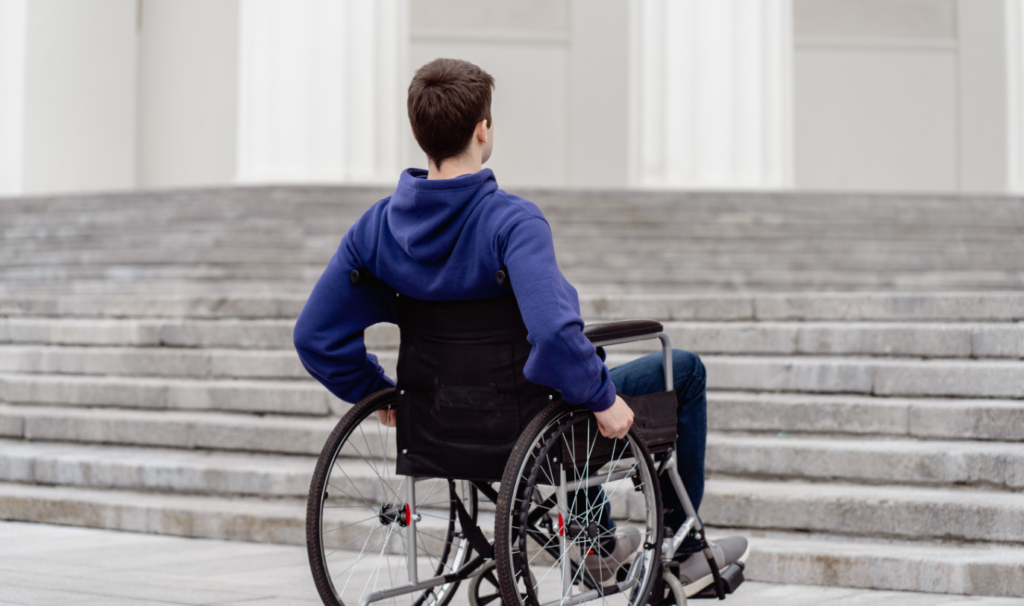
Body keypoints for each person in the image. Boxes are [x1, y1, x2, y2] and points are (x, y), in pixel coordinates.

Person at [293, 57, 746, 592]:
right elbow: (554, 337)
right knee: (679, 370)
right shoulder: (512, 223)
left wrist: (384, 395)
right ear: (483, 129)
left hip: (438, 424)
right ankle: (682, 545)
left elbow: (314, 337)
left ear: (419, 135)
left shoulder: (375, 229)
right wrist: (603, 399)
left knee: (560, 382)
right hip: (528, 423)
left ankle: (597, 543)